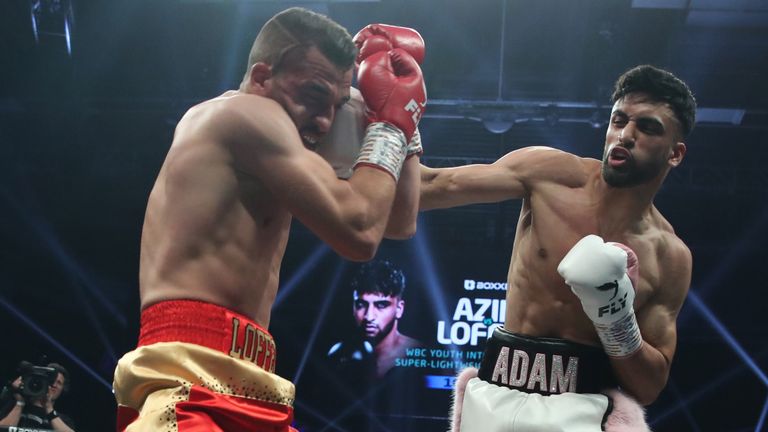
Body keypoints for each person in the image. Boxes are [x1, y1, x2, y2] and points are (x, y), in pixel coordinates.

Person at [112, 7, 426, 432]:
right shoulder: (242, 115)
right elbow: (360, 232)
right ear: (262, 77)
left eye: (335, 104)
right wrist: (389, 126)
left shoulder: (284, 151)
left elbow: (398, 219)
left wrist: (405, 122)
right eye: (313, 95)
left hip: (255, 385)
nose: (324, 121)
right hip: (185, 380)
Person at [419, 65, 695, 431]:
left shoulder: (669, 255)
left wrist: (616, 319)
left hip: (582, 411)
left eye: (647, 127)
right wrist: (392, 128)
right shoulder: (552, 174)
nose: (625, 135)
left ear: (675, 154)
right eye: (619, 120)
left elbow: (648, 386)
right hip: (494, 397)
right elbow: (434, 186)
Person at [327, 260, 422, 379]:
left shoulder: (419, 352)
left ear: (399, 308)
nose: (369, 316)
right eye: (361, 305)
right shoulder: (339, 353)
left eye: (381, 305)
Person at [0, 362, 76, 431]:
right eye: (51, 380)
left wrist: (49, 409)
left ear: (63, 389)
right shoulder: (13, 408)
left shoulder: (64, 420)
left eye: (59, 383)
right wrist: (20, 403)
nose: (54, 385)